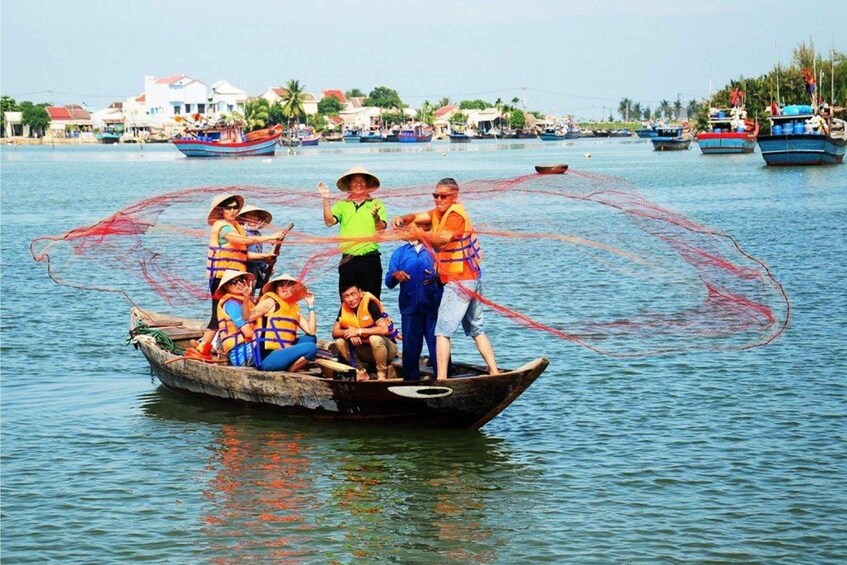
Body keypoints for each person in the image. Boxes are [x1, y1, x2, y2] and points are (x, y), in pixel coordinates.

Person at [392, 178, 498, 380]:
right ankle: (493, 370)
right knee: (476, 328)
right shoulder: (438, 213)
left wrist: (419, 234)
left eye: (443, 196)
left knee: (441, 332)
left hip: (460, 280)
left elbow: (442, 238)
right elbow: (418, 216)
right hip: (471, 278)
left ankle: (441, 379)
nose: (438, 199)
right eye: (435, 195)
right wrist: (403, 219)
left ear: (455, 195)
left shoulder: (455, 216)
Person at [196, 194, 287, 358]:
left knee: (240, 310)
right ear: (221, 210)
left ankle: (215, 344)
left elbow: (244, 254)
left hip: (236, 277)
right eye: (228, 207)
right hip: (222, 277)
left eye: (234, 207)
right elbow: (240, 241)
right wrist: (271, 236)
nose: (232, 210)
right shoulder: (223, 227)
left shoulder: (236, 226)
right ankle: (204, 346)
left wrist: (264, 257)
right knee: (217, 313)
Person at [318, 166, 387, 299]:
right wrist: (326, 199)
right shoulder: (342, 204)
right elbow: (329, 222)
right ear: (349, 184)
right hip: (348, 260)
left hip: (370, 259)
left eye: (362, 181)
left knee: (371, 301)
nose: (358, 184)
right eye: (355, 181)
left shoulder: (376, 203)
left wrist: (376, 217)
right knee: (347, 302)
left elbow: (381, 228)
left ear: (368, 184)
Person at [385, 237, 445, 381]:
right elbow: (388, 282)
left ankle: (444, 377)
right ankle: (410, 380)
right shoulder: (400, 253)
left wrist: (437, 276)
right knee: (410, 348)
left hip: (433, 306)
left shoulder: (436, 250)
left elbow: (449, 275)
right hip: (409, 307)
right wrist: (395, 274)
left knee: (437, 344)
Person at [246, 273, 318, 372]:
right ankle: (291, 370)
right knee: (311, 348)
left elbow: (311, 331)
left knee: (310, 339)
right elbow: (248, 317)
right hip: (267, 357)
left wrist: (310, 305)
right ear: (276, 289)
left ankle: (288, 366)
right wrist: (246, 297)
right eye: (281, 285)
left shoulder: (293, 307)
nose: (284, 287)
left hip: (283, 352)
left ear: (293, 289)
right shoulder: (270, 302)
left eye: (288, 285)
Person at [332, 284, 399, 381]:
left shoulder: (370, 305)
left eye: (353, 294)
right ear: (343, 298)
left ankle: (381, 374)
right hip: (364, 350)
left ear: (360, 292)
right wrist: (349, 333)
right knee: (340, 342)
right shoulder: (344, 309)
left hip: (387, 349)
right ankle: (361, 371)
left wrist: (359, 331)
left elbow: (384, 329)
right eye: (346, 296)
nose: (351, 299)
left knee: (374, 339)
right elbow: (334, 332)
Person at [215, 270, 257, 367]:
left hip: (249, 348)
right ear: (226, 286)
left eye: (241, 280)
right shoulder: (232, 305)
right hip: (242, 355)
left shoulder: (244, 302)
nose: (238, 284)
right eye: (233, 282)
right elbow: (248, 333)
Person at [237, 205, 275, 293]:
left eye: (255, 216)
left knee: (251, 295)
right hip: (244, 270)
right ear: (244, 218)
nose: (253, 219)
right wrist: (266, 256)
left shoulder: (258, 234)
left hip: (255, 271)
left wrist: (265, 268)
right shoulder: (241, 233)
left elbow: (258, 254)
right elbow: (244, 255)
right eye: (250, 216)